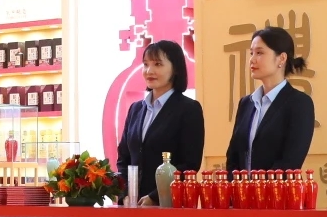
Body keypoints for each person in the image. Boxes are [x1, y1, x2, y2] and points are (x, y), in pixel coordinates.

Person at [116, 39, 204, 204]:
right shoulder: (136, 109)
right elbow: (124, 159)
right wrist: (124, 194)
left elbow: (189, 165)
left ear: (175, 69)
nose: (149, 71)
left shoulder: (188, 109)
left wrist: (154, 197)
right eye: (145, 64)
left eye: (158, 64)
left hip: (168, 205)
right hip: (131, 205)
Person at [226, 26, 315, 171]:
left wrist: (260, 185)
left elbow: (291, 162)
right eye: (251, 53)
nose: (252, 59)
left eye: (260, 53)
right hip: (242, 186)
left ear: (282, 58)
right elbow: (233, 157)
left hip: (279, 186)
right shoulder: (246, 103)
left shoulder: (299, 103)